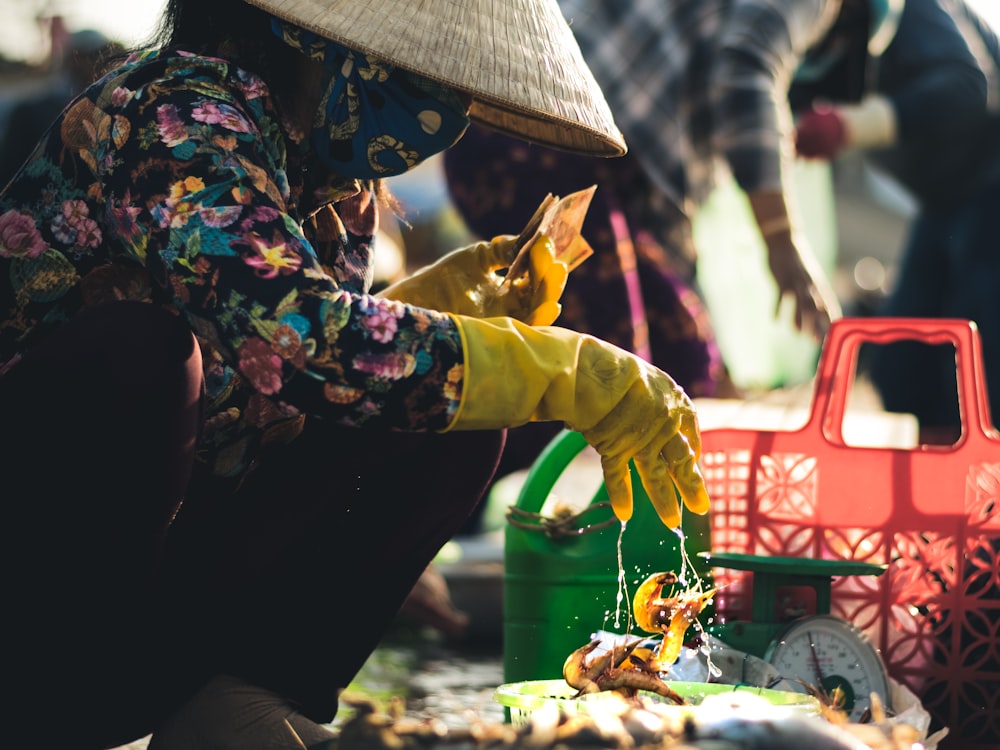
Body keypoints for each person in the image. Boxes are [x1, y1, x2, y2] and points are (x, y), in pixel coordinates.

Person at [0, 0, 712, 748]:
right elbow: (292, 334)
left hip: (173, 547)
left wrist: (448, 309)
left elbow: (307, 383)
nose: (439, 112)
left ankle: (232, 702)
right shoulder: (181, 110)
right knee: (142, 357)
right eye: (413, 73)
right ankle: (51, 707)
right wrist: (558, 368)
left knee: (443, 422)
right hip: (43, 561)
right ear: (306, 31)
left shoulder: (341, 185)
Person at [442, 0, 850, 517]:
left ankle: (444, 508)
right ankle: (434, 507)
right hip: (549, 142)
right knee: (618, 374)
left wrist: (711, 359)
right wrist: (781, 239)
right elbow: (745, 76)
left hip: (517, 146)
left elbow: (665, 265)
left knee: (660, 362)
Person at [791, 0, 1000, 439]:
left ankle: (982, 486)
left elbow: (968, 87)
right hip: (942, 203)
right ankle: (940, 481)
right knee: (902, 363)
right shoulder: (809, 49)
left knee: (980, 362)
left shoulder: (912, 11)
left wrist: (850, 126)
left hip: (990, 187)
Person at [0, 25, 119, 185]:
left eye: (105, 54)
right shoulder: (31, 112)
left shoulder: (115, 108)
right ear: (72, 59)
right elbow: (10, 171)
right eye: (91, 55)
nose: (99, 62)